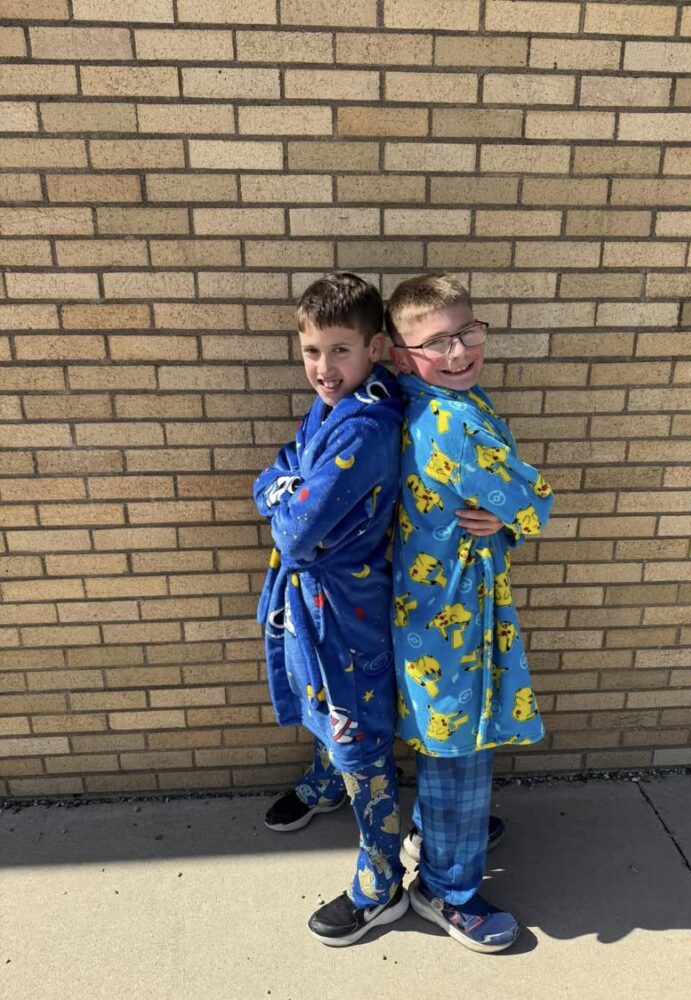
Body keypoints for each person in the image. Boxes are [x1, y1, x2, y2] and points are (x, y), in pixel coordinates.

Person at [386, 273, 554, 953]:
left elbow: (502, 505)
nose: (457, 352)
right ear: (400, 355)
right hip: (452, 615)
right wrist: (519, 514)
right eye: (435, 343)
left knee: (446, 736)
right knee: (460, 748)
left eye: (466, 333)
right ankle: (444, 890)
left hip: (434, 607)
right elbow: (532, 497)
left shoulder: (426, 399)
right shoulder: (454, 424)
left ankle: (439, 831)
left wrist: (502, 520)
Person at [254, 272, 408, 946]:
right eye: (312, 351)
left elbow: (293, 531)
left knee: (358, 730)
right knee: (323, 698)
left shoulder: (365, 424)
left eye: (340, 350)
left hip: (347, 609)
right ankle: (325, 782)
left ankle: (381, 878)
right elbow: (276, 470)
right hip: (315, 600)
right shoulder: (331, 407)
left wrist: (281, 496)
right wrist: (283, 488)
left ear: (374, 348)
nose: (324, 367)